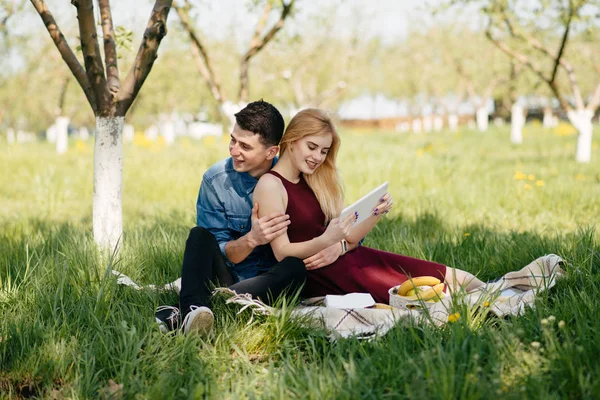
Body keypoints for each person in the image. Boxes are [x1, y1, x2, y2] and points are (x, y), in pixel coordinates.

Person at [253, 109, 484, 304]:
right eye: (311, 147)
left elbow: (349, 239)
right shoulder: (271, 185)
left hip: (348, 257)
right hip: (319, 274)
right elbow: (281, 252)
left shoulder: (316, 180)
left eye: (324, 151)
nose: (318, 157)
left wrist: (375, 213)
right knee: (425, 295)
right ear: (292, 141)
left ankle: (502, 296)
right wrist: (325, 242)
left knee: (450, 275)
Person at [156, 100, 306, 335]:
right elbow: (221, 250)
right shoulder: (215, 181)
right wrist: (252, 239)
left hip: (270, 280)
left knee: (296, 268)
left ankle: (201, 306)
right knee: (199, 236)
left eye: (245, 146)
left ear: (271, 151)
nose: (234, 150)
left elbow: (327, 222)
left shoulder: (293, 178)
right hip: (228, 274)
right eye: (233, 140)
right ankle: (195, 308)